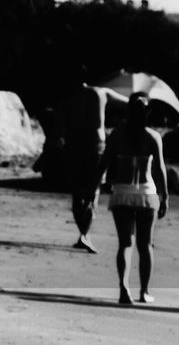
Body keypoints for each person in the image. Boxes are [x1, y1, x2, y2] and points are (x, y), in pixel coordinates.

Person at [96, 92, 168, 305]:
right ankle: (144, 291)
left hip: (122, 194)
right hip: (146, 194)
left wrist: (93, 188)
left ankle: (123, 288)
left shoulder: (118, 134)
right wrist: (165, 197)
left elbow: (104, 163)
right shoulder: (153, 137)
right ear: (148, 113)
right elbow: (160, 170)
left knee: (125, 243)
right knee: (146, 245)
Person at [64, 75, 108, 253]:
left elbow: (62, 122)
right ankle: (85, 234)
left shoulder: (69, 96)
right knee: (93, 191)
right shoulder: (100, 92)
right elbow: (127, 101)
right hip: (95, 145)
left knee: (76, 193)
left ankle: (83, 233)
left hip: (74, 145)